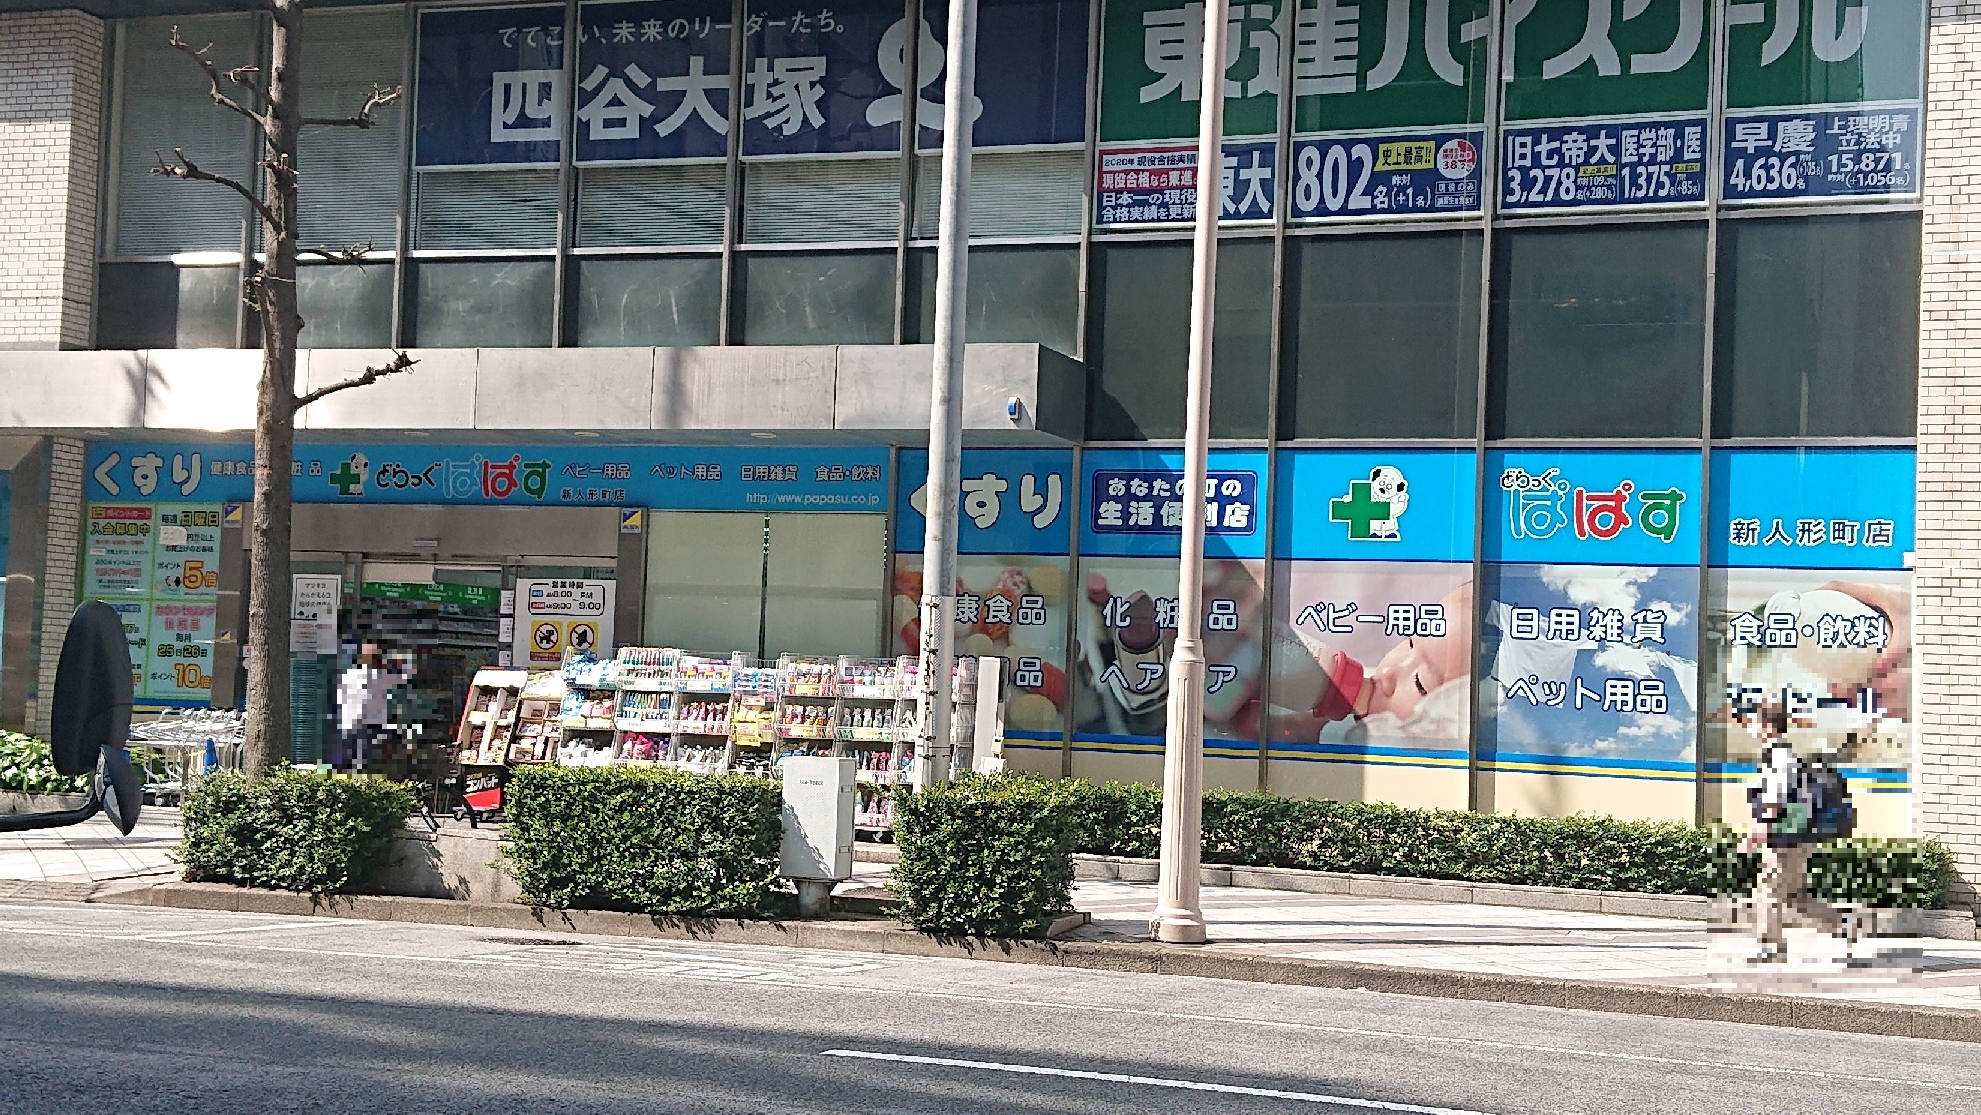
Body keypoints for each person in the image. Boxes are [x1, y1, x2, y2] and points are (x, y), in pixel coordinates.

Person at [1740, 707, 1860, 962]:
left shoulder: (1779, 755)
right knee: (1794, 896)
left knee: (1767, 889)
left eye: (1753, 723)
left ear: (1768, 726)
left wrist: (1760, 827)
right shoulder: (1781, 754)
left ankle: (1770, 948)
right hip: (1794, 834)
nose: (1750, 728)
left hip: (1785, 836)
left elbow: (1776, 795)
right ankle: (1841, 922)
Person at [337, 642, 406, 772]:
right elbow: (402, 678)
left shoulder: (350, 675)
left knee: (350, 758)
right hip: (371, 723)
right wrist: (398, 661)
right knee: (365, 759)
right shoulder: (381, 676)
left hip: (350, 721)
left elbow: (341, 696)